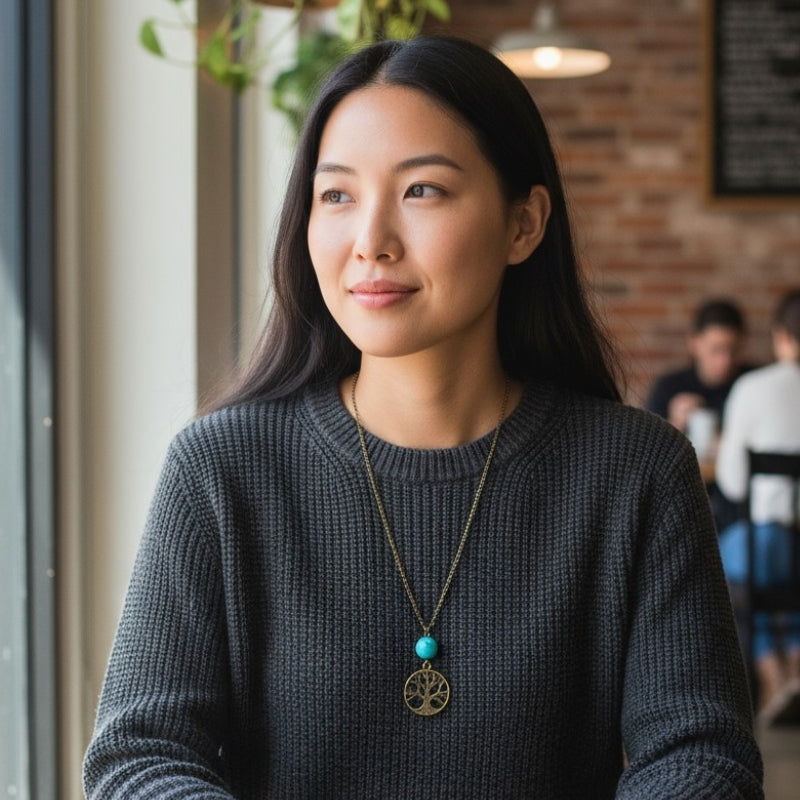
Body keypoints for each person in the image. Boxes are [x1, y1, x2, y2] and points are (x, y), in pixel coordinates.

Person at [83, 36, 763, 798]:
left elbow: (702, 758)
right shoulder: (220, 468)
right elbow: (138, 756)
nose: (369, 242)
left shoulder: (636, 471)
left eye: (422, 191)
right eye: (336, 195)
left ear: (523, 225)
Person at [715, 289, 800, 727]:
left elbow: (731, 483)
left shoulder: (753, 388)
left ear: (782, 337)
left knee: (731, 559)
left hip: (769, 541)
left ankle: (774, 676)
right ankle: (792, 669)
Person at [646, 299, 750, 434]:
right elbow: (647, 446)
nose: (725, 361)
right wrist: (675, 424)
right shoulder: (668, 387)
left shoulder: (753, 383)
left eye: (733, 350)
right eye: (716, 349)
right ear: (694, 343)